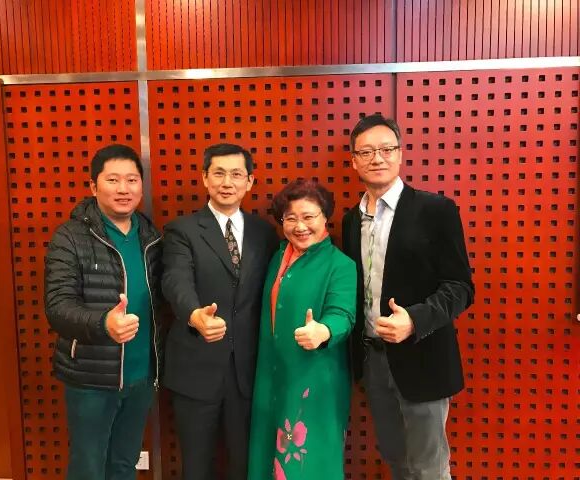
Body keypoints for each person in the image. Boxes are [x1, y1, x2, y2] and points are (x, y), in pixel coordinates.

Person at [341, 114, 474, 480]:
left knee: (428, 467)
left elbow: (461, 286)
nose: (377, 158)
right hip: (373, 360)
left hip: (423, 356)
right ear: (354, 161)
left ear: (400, 154)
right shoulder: (351, 220)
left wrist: (415, 319)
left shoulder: (436, 210)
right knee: (396, 460)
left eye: (386, 149)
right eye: (366, 152)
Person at [44, 144, 163, 480]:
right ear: (94, 187)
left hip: (141, 376)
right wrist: (103, 323)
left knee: (124, 463)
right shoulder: (70, 237)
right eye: (113, 180)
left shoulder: (151, 236)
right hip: (91, 377)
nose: (124, 189)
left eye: (132, 180)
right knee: (89, 466)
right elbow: (57, 306)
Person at [162, 143, 279, 480]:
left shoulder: (264, 232)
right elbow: (175, 280)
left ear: (250, 181)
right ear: (204, 178)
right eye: (219, 173)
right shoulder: (182, 230)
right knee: (197, 467)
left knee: (245, 465)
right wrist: (194, 314)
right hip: (196, 368)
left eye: (236, 174)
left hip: (249, 371)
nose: (227, 182)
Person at [248, 179, 357, 480]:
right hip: (272, 373)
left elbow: (343, 314)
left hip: (314, 378)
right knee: (267, 456)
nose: (300, 226)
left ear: (325, 217)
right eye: (290, 218)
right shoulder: (277, 257)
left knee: (307, 463)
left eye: (309, 217)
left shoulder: (340, 265)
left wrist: (324, 331)